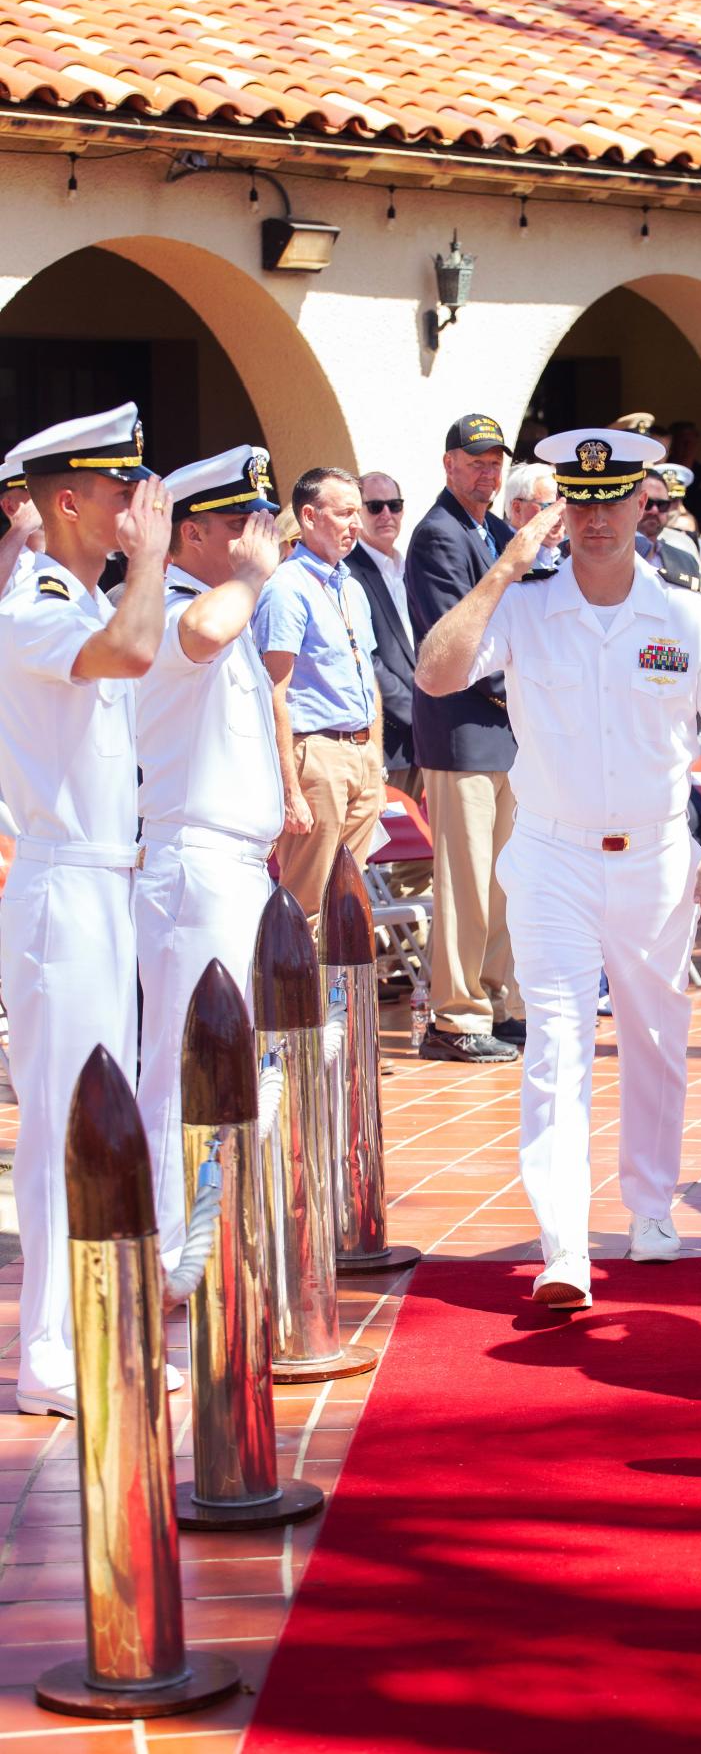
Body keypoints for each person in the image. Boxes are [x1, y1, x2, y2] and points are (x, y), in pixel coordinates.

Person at [414, 426, 701, 1309]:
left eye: (614, 500)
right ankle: (564, 1242)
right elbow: (435, 671)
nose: (599, 518)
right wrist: (502, 568)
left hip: (654, 857)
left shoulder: (686, 615)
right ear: (563, 507)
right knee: (557, 1045)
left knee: (654, 1039)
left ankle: (650, 1209)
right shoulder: (526, 606)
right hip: (555, 855)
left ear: (644, 501)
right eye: (583, 500)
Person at [0, 403, 171, 1416]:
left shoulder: (79, 599)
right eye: (116, 493)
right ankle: (50, 1353)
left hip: (108, 880)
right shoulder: (37, 606)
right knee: (66, 1117)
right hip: (64, 885)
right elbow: (135, 652)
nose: (131, 510)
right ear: (67, 502)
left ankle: (104, 1332)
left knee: (106, 1121)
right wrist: (150, 560)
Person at [135, 446, 283, 1262]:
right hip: (193, 864)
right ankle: (169, 1250)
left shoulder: (224, 608)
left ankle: (212, 1235)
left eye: (260, 525)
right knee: (185, 1063)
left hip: (234, 865)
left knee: (228, 1062)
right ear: (190, 536)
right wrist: (255, 579)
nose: (255, 540)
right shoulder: (171, 607)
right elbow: (199, 632)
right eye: (237, 525)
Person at [405, 414, 524, 1062]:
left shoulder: (500, 531)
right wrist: (525, 693)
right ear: (449, 464)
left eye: (494, 459)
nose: (487, 469)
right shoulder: (438, 535)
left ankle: (496, 1001)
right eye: (475, 459)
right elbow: (456, 637)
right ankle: (454, 1016)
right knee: (466, 881)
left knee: (505, 878)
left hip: (505, 733)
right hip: (463, 729)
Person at [252, 467, 384, 927]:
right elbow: (274, 693)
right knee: (307, 911)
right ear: (308, 517)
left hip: (360, 755)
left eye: (358, 513)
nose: (356, 525)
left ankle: (338, 1003)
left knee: (346, 909)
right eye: (345, 513)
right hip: (316, 754)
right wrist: (290, 790)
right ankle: (301, 1003)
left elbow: (368, 677)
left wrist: (375, 762)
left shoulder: (350, 585)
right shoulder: (286, 589)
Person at [349, 471, 419, 799]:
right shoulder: (349, 571)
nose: (386, 515)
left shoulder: (412, 568)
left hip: (428, 741)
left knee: (429, 846)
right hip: (390, 739)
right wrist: (415, 711)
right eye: (375, 507)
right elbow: (364, 655)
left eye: (394, 505)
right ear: (357, 512)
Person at [635, 468, 701, 575]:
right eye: (647, 503)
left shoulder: (686, 561)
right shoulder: (606, 553)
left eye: (662, 505)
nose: (654, 510)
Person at [502, 461, 567, 570]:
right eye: (550, 506)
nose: (560, 515)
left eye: (564, 506)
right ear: (517, 508)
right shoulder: (497, 556)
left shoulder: (565, 563)